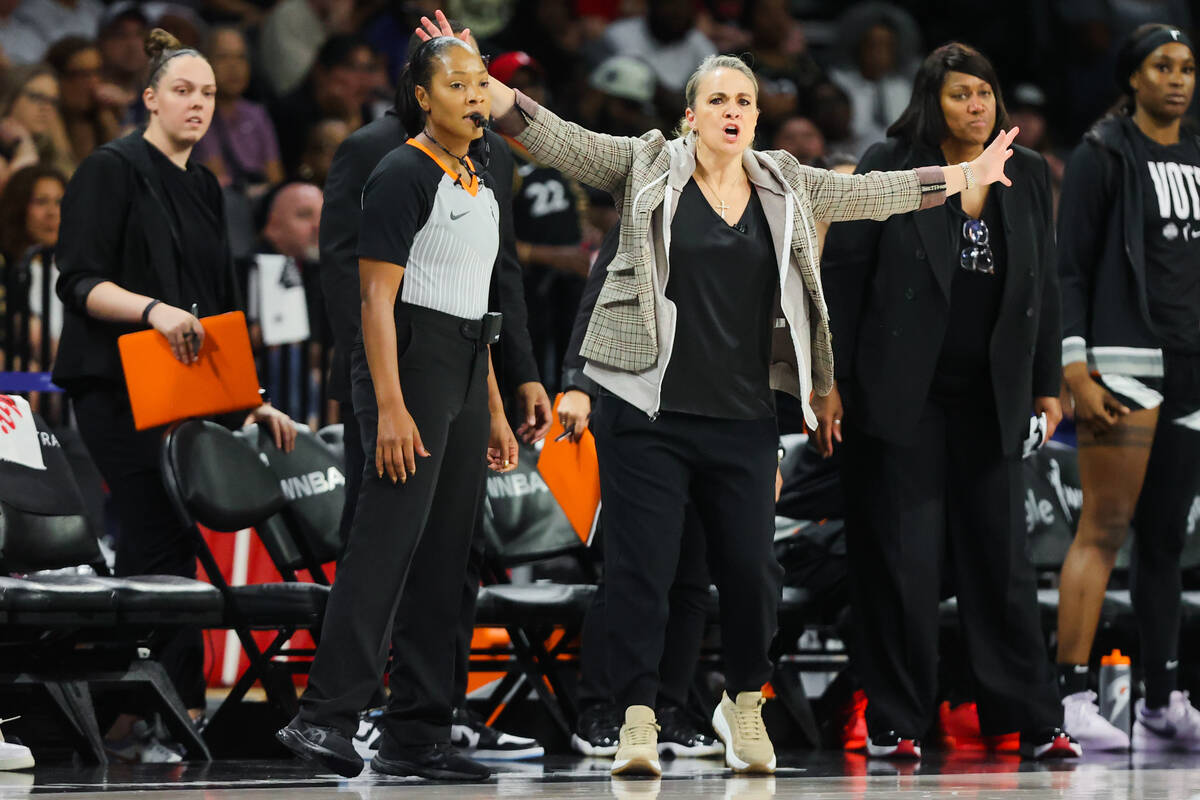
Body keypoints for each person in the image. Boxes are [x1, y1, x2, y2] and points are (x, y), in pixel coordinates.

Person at [419, 7, 1019, 776]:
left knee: (750, 574)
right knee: (639, 569)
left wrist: (966, 176)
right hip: (646, 412)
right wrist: (479, 78)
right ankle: (636, 719)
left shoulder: (788, 185)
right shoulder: (645, 167)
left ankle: (743, 706)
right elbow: (557, 136)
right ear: (689, 115)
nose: (732, 112)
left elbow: (879, 193)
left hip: (742, 417)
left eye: (744, 102)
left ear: (757, 118)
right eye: (718, 101)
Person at [275, 34, 526, 782]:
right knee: (384, 546)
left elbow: (480, 302)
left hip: (464, 365)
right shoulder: (398, 172)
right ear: (422, 97)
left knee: (450, 558)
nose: (475, 97)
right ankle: (326, 717)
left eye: (481, 84)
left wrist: (496, 407)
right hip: (409, 367)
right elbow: (375, 300)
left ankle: (419, 732)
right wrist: (387, 407)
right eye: (458, 84)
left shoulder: (482, 174)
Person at [819, 42, 1076, 762]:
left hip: (988, 396)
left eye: (985, 94)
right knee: (905, 563)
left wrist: (1048, 385)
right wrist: (829, 378)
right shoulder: (890, 166)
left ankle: (1029, 717)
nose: (975, 106)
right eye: (961, 94)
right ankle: (899, 719)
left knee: (1001, 564)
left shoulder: (1024, 172)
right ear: (932, 101)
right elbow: (843, 277)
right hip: (900, 396)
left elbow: (1043, 291)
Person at [52, 28, 297, 756]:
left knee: (174, 543)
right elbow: (79, 282)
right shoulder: (111, 167)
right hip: (116, 384)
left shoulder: (205, 185)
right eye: (183, 91)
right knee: (156, 535)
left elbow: (215, 306)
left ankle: (155, 711)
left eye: (208, 94)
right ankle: (146, 711)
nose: (196, 104)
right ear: (150, 98)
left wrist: (248, 397)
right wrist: (154, 312)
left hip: (182, 390)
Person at [1054, 23, 1200, 752]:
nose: (1177, 78)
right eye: (1162, 66)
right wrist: (1074, 367)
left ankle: (1162, 700)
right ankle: (1073, 696)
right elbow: (1069, 267)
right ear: (1133, 78)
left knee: (1169, 540)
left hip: (1191, 367)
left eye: (1186, 67)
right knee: (1104, 529)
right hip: (1120, 361)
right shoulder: (1102, 152)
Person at [244, 181, 326, 425]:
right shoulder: (248, 268)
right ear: (273, 223)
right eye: (304, 216)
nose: (317, 227)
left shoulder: (315, 270)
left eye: (323, 216)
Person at [271, 34, 377, 177]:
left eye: (368, 69)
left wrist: (352, 120)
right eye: (353, 68)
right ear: (321, 71)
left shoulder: (363, 111)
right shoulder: (288, 113)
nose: (364, 81)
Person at [194, 25, 285, 190]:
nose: (234, 67)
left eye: (241, 57)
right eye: (223, 57)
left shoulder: (258, 114)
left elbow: (275, 180)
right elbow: (217, 182)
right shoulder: (193, 114)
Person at [0, 164, 65, 368]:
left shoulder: (80, 269)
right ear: (19, 208)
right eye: (40, 202)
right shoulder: (7, 269)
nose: (52, 212)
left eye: (60, 202)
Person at [45, 36, 125, 165]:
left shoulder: (106, 119)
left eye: (97, 72)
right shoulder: (45, 130)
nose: (93, 82)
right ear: (57, 80)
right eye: (82, 75)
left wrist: (112, 117)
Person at [0, 65, 75, 177]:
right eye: (36, 97)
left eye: (53, 102)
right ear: (11, 99)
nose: (46, 107)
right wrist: (25, 148)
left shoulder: (52, 152)